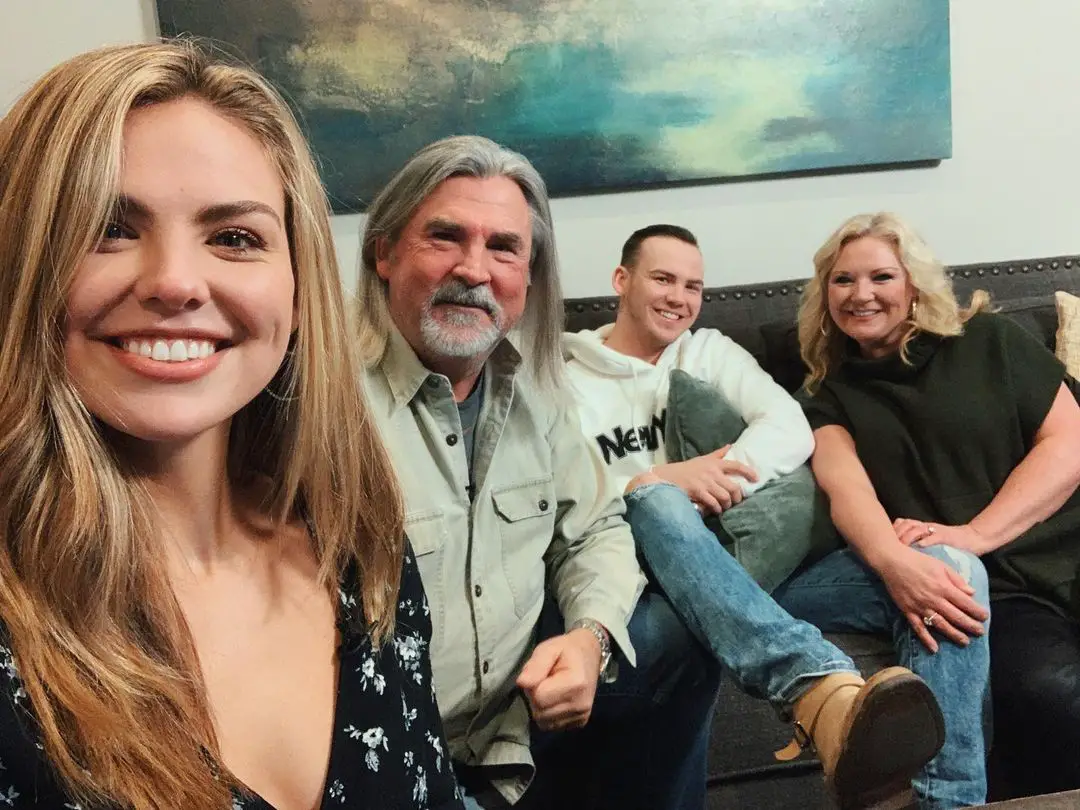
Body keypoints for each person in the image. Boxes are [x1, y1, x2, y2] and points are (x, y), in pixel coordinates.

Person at [0, 42, 461, 810]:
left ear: (297, 282)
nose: (176, 282)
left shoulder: (358, 549)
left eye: (234, 238)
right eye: (108, 227)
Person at [356, 135, 722, 810]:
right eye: (444, 237)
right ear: (384, 252)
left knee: (681, 639)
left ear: (529, 277)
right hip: (389, 753)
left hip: (512, 727)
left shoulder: (539, 396)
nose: (474, 269)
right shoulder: (322, 406)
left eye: (504, 247)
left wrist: (589, 639)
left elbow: (597, 529)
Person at [564, 223, 951, 808]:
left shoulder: (708, 351)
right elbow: (561, 494)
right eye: (663, 279)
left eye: (693, 286)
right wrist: (658, 481)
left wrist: (717, 479)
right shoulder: (564, 376)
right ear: (622, 280)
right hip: (636, 569)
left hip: (739, 563)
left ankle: (942, 796)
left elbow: (789, 428)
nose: (679, 298)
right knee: (656, 503)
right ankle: (814, 684)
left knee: (950, 568)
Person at [773, 211, 1064, 808]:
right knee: (1053, 692)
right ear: (823, 294)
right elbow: (845, 488)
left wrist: (977, 533)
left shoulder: (990, 341)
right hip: (985, 591)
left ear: (914, 284)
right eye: (842, 280)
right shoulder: (824, 393)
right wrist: (895, 561)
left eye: (881, 276)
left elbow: (1070, 443)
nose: (861, 294)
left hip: (1053, 549)